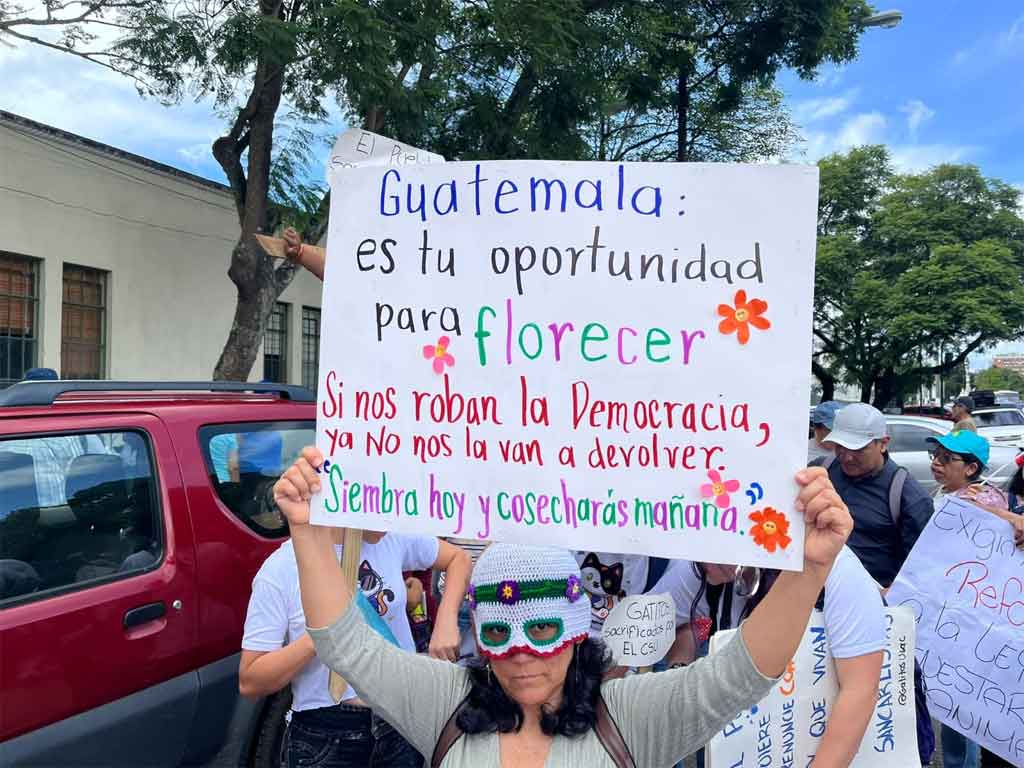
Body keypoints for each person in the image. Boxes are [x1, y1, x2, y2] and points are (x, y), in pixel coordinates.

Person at [273, 448, 853, 767]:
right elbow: (345, 643)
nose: (523, 656)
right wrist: (305, 527)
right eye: (499, 635)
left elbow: (741, 673)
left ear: (577, 633)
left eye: (544, 630)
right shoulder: (445, 703)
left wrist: (812, 569)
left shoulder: (631, 716)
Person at [240, 529, 472, 768]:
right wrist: (326, 632)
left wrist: (446, 619)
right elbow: (251, 680)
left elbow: (459, 559)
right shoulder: (281, 569)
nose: (387, 516)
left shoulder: (391, 537)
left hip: (401, 717)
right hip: (327, 732)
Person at [653, 553, 885, 767]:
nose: (699, 555)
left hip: (822, 742)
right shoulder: (707, 563)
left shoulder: (836, 569)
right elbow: (642, 625)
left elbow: (860, 690)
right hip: (745, 742)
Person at [818, 402, 934, 587]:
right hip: (810, 596)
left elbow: (922, 568)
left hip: (869, 603)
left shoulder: (909, 498)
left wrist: (892, 593)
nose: (847, 457)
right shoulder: (821, 471)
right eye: (840, 446)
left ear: (883, 444)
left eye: (858, 449)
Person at [927, 430, 1024, 545]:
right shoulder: (944, 488)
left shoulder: (985, 498)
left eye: (946, 458)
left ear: (971, 468)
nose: (936, 462)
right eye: (936, 454)